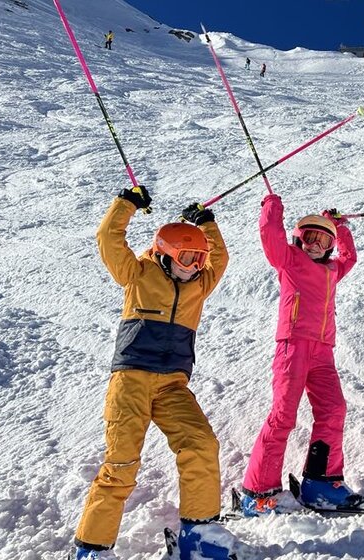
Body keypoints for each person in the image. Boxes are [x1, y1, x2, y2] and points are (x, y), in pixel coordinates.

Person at [70, 186, 236, 560]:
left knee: (201, 444)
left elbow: (220, 259)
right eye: (188, 257)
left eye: (199, 258)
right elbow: (108, 238)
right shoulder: (138, 273)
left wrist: (207, 224)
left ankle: (199, 533)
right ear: (165, 254)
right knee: (121, 464)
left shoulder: (199, 284)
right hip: (131, 381)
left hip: (173, 384)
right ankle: (91, 549)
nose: (195, 266)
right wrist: (127, 202)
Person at [238, 194, 364, 516]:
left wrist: (339, 227)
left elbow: (349, 257)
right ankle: (258, 493)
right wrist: (272, 206)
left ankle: (321, 482)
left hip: (323, 351)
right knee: (283, 416)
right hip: (293, 346)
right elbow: (270, 236)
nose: (315, 244)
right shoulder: (290, 261)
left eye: (322, 240)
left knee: (334, 409)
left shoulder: (332, 270)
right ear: (299, 239)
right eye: (309, 238)